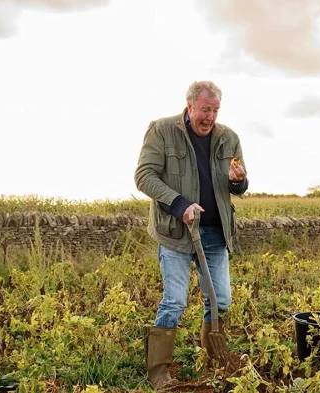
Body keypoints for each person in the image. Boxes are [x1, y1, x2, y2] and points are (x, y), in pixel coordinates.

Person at [134, 80, 248, 389]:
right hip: (176, 232)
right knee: (175, 301)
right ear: (190, 107)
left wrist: (239, 181)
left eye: (215, 110)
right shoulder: (162, 130)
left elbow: (238, 186)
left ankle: (213, 357)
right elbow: (144, 176)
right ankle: (158, 369)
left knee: (220, 299)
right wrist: (179, 203)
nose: (209, 117)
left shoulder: (229, 138)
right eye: (204, 109)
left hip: (214, 232)